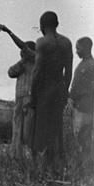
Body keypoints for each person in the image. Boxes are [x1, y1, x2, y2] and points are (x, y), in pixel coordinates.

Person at [29, 11, 73, 169]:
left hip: (44, 90)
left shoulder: (41, 42)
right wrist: (64, 91)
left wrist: (32, 96)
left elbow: (37, 71)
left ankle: (42, 165)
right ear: (57, 24)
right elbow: (68, 71)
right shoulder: (66, 42)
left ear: (41, 26)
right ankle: (57, 163)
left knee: (41, 128)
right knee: (56, 127)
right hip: (59, 88)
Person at [0, 24, 37, 159]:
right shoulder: (24, 63)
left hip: (29, 99)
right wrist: (22, 62)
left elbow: (23, 48)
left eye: (24, 51)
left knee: (27, 132)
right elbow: (10, 72)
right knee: (18, 129)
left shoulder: (36, 61)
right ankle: (18, 157)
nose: (22, 53)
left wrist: (9, 32)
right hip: (20, 99)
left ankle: (27, 157)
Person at [69, 36, 94, 172]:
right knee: (80, 137)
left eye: (78, 48)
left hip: (85, 105)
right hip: (79, 105)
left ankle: (86, 168)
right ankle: (84, 167)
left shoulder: (91, 64)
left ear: (86, 48)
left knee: (84, 137)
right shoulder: (85, 63)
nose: (76, 51)